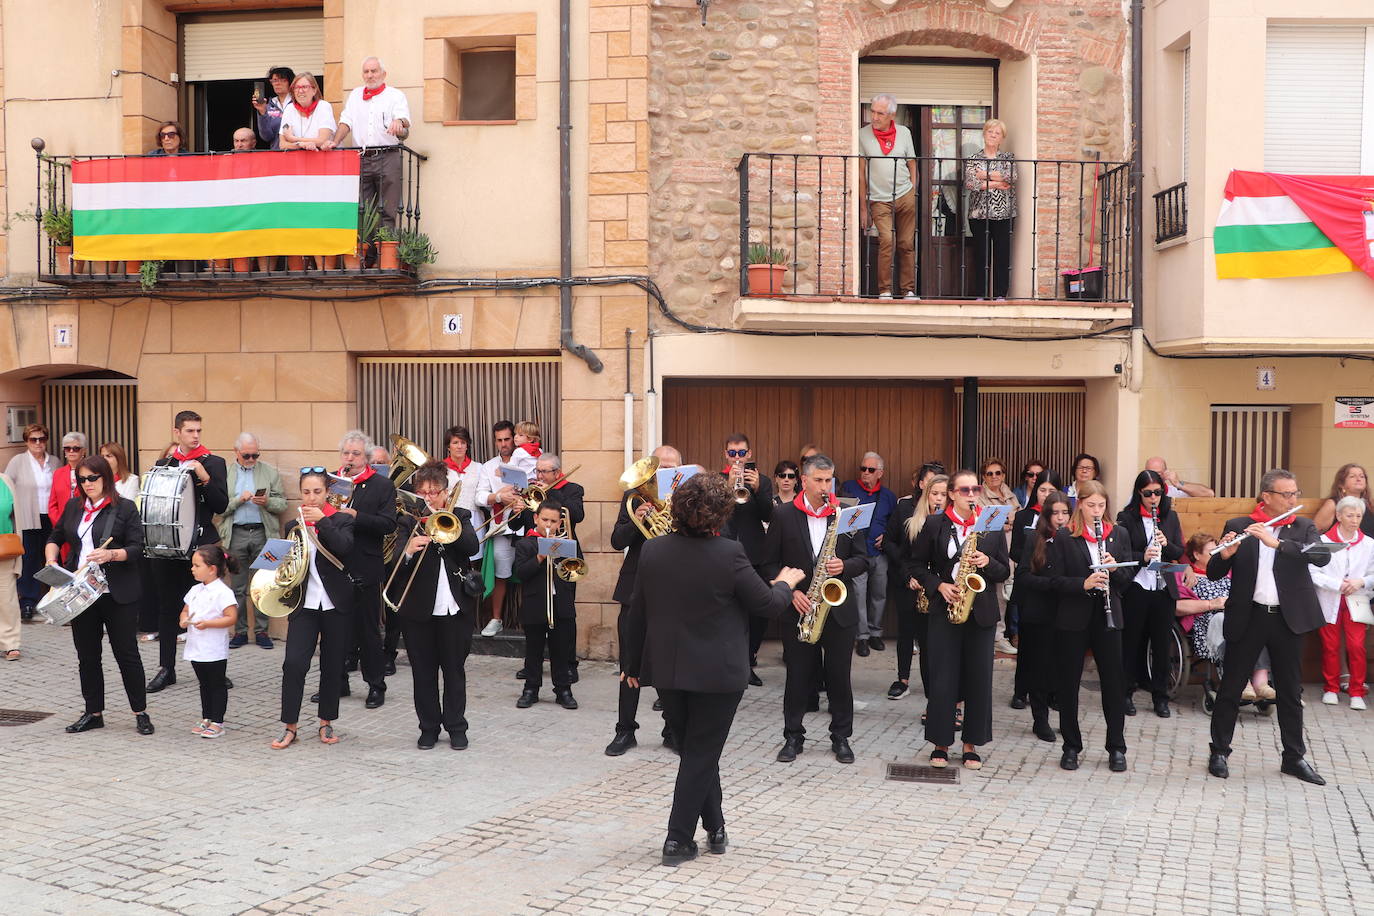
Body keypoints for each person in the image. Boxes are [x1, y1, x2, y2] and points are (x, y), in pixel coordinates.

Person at [623, 473, 803, 866]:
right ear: (720, 515)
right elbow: (768, 605)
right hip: (717, 675)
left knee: (695, 752)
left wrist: (632, 664)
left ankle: (716, 827)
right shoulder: (730, 553)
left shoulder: (653, 550)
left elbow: (637, 612)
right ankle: (676, 840)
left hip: (669, 671)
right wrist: (786, 583)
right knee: (700, 754)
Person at [1206, 469, 1330, 784]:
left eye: (1295, 493)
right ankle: (1219, 751)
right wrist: (1227, 554)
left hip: (1288, 618)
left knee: (1289, 690)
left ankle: (1294, 758)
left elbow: (1320, 558)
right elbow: (1213, 572)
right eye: (1286, 494)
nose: (1292, 499)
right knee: (1232, 687)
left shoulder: (1302, 527)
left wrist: (1275, 543)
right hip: (1249, 616)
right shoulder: (1239, 526)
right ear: (1267, 497)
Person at [761, 453, 867, 765]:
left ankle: (841, 736)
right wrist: (789, 591)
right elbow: (768, 563)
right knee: (798, 676)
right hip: (800, 608)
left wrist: (844, 565)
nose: (824, 486)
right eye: (818, 480)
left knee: (839, 676)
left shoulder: (847, 512)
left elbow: (864, 559)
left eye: (828, 480)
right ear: (804, 481)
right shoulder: (783, 516)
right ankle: (793, 736)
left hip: (838, 609)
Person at [45, 455, 153, 736]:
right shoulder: (73, 507)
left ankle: (140, 712)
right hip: (80, 593)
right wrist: (51, 559)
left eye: (93, 478)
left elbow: (137, 548)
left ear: (106, 477)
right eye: (82, 479)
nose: (87, 484)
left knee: (126, 654)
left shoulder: (125, 508)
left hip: (116, 592)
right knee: (87, 656)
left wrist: (111, 554)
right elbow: (55, 537)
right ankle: (93, 712)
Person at [910, 469, 1010, 770]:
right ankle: (941, 742)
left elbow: (1004, 571)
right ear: (951, 493)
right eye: (963, 490)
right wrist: (939, 585)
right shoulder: (935, 524)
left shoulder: (990, 524)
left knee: (978, 679)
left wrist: (987, 562)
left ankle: (971, 744)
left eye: (974, 489)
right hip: (946, 608)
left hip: (980, 612)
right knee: (943, 677)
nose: (970, 494)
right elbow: (915, 565)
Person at [391, 462, 479, 750]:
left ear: (446, 492)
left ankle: (456, 727)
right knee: (423, 672)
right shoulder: (407, 521)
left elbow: (471, 547)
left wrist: (448, 519)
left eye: (434, 492)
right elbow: (393, 564)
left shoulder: (460, 515)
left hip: (454, 608)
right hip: (418, 610)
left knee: (454, 670)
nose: (429, 497)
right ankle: (428, 727)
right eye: (423, 492)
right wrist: (407, 552)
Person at [1049, 480, 1132, 772]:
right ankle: (1071, 746)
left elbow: (1126, 581)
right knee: (1068, 683)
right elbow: (1055, 582)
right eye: (1091, 505)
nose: (1097, 511)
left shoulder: (1118, 535)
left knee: (1113, 683)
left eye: (1101, 505)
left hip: (1109, 616)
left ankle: (1117, 747)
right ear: (1080, 505)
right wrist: (1082, 584)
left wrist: (1114, 570)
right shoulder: (1063, 537)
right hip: (1074, 616)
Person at [607, 445, 683, 756]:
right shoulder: (633, 498)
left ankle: (672, 729)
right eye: (659, 467)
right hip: (635, 588)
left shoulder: (685, 498)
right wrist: (635, 521)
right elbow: (616, 541)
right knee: (629, 663)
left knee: (673, 662)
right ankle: (625, 730)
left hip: (674, 589)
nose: (661, 473)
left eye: (670, 467)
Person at [272, 468, 356, 749]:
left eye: (317, 492)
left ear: (327, 493)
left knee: (332, 666)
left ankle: (326, 722)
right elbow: (276, 563)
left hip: (335, 603)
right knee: (294, 664)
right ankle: (290, 726)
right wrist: (270, 562)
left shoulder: (342, 520)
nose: (311, 497)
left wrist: (324, 522)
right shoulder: (292, 526)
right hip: (304, 605)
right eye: (306, 492)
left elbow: (345, 548)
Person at [146, 411, 229, 693]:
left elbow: (220, 506)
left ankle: (216, 668)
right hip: (168, 549)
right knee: (168, 608)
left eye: (198, 431)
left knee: (208, 607)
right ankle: (166, 668)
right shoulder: (164, 464)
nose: (195, 436)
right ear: (177, 432)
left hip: (201, 547)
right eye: (190, 431)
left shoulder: (213, 462)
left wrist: (206, 478)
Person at [335, 430, 397, 709]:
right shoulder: (332, 481)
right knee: (335, 628)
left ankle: (375, 685)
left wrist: (357, 516)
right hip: (335, 563)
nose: (350, 458)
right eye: (346, 453)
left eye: (356, 454)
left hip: (365, 563)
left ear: (367, 457)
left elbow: (388, 524)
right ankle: (337, 682)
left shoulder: (381, 486)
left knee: (368, 629)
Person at [1117, 470, 1186, 719]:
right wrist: (1142, 556)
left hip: (1163, 588)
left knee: (1161, 643)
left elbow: (1179, 551)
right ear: (1139, 493)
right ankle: (1126, 692)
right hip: (1137, 586)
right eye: (1148, 493)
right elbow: (1122, 554)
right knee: (1132, 642)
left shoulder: (1171, 517)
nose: (1153, 498)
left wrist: (1166, 545)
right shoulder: (1126, 518)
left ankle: (1160, 696)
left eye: (1158, 493)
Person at [1176, 533, 1275, 703]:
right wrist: (1211, 604)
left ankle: (1261, 680)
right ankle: (1241, 681)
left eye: (1218, 550)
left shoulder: (1228, 573)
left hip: (1235, 619)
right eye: (1211, 552)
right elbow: (1178, 607)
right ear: (1197, 555)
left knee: (1258, 622)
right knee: (1225, 621)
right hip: (1207, 627)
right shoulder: (1186, 577)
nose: (1216, 554)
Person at [324, 57, 412, 233]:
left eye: (374, 71)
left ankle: (385, 253)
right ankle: (368, 256)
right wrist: (335, 141)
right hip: (362, 158)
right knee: (364, 208)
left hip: (388, 156)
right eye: (366, 71)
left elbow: (404, 122)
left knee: (388, 207)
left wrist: (398, 123)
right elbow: (346, 121)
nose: (370, 75)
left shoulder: (395, 95)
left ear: (383, 74)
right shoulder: (356, 95)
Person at [217, 433, 286, 649]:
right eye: (246, 455)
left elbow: (282, 504)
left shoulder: (269, 472)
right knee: (237, 587)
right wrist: (238, 500)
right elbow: (219, 508)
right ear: (236, 452)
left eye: (255, 455)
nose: (251, 459)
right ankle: (239, 631)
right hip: (235, 533)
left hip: (264, 533)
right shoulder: (225, 473)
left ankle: (262, 631)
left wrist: (267, 502)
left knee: (263, 585)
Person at [1012, 490, 1071, 743]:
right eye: (1055, 513)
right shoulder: (1035, 538)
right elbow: (1023, 575)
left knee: (1060, 669)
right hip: (1038, 612)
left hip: (1065, 612)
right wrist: (1051, 584)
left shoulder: (1072, 539)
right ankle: (1040, 719)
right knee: (1039, 668)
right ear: (1047, 515)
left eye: (1065, 513)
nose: (1060, 518)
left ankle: (1063, 719)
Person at [513, 497, 581, 710]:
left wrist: (562, 557)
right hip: (535, 604)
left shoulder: (567, 543)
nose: (549, 525)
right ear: (536, 518)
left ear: (560, 523)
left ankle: (563, 689)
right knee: (533, 650)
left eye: (553, 521)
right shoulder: (525, 543)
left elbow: (577, 570)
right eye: (545, 520)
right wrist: (540, 557)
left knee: (561, 649)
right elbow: (520, 573)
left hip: (561, 604)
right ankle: (530, 689)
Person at [719, 434, 774, 682]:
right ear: (726, 454)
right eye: (733, 453)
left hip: (754, 554)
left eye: (742, 453)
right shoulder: (717, 481)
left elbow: (769, 514)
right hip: (724, 553)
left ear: (750, 454)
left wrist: (759, 490)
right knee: (728, 611)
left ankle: (749, 656)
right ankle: (730, 663)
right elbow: (716, 514)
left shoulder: (762, 480)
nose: (737, 458)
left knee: (760, 610)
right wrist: (729, 488)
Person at [1311, 496, 1374, 710]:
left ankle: (1356, 690)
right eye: (1350, 515)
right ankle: (1331, 688)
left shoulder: (1369, 544)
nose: (1355, 520)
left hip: (1356, 600)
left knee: (1356, 646)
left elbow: (1373, 573)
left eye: (1358, 516)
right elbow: (1312, 572)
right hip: (1330, 600)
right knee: (1330, 646)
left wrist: (1360, 581)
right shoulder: (1324, 542)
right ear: (1338, 516)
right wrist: (1336, 584)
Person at [1008, 469, 1063, 708]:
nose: (1046, 495)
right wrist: (1035, 557)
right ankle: (1021, 690)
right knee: (1028, 644)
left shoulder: (1064, 520)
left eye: (1051, 491)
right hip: (1029, 587)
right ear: (1034, 490)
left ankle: (1050, 691)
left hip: (1054, 590)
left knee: (1052, 647)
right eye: (1042, 490)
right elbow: (1014, 551)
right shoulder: (1023, 516)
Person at [891, 473, 948, 702]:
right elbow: (903, 556)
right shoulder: (913, 521)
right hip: (917, 589)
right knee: (923, 644)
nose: (939, 499)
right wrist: (909, 577)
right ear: (926, 495)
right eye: (934, 494)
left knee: (941, 650)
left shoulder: (952, 524)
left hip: (944, 592)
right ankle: (930, 699)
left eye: (943, 495)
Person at [857, 93, 918, 300]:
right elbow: (860, 172)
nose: (874, 117)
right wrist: (864, 207)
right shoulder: (862, 135)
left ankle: (908, 290)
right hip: (879, 199)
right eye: (872, 111)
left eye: (880, 113)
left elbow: (912, 163)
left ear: (891, 114)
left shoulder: (904, 133)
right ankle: (885, 290)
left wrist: (913, 190)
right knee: (887, 241)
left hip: (904, 195)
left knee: (906, 243)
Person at [839, 452, 897, 657]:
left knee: (879, 595)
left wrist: (887, 537)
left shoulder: (889, 496)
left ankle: (875, 633)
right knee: (859, 596)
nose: (865, 473)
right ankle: (862, 637)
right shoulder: (848, 488)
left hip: (879, 554)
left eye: (870, 470)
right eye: (863, 469)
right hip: (857, 555)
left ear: (880, 473)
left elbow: (894, 524)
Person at [178, 546, 238, 739]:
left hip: (214, 648)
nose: (192, 569)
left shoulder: (223, 592)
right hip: (197, 647)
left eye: (197, 565)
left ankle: (218, 720)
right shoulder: (195, 589)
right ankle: (207, 717)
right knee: (203, 683)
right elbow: (185, 610)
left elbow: (231, 617)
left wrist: (209, 624)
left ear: (212, 568)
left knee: (216, 684)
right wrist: (183, 619)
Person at [5, 423, 58, 621]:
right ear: (26, 441)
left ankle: (52, 600)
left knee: (51, 560)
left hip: (51, 517)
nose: (38, 443)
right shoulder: (17, 462)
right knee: (29, 560)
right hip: (27, 518)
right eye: (33, 439)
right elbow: (7, 488)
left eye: (41, 439)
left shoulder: (54, 461)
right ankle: (28, 602)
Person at [964, 118, 1017, 299]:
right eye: (990, 132)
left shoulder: (1007, 158)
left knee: (1002, 256)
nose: (993, 136)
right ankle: (981, 294)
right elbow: (971, 182)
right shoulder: (973, 159)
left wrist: (984, 176)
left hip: (1004, 214)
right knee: (982, 256)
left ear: (1002, 138)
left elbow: (1012, 176)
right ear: (984, 134)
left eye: (997, 133)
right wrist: (997, 182)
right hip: (979, 214)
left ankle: (1001, 295)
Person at [476, 420, 520, 636]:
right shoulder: (488, 466)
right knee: (500, 574)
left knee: (531, 572)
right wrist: (499, 496)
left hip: (526, 528)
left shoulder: (529, 460)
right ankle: (496, 619)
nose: (504, 444)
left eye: (507, 439)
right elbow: (479, 496)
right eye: (499, 440)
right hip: (501, 527)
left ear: (514, 438)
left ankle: (533, 622)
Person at [978, 456, 1019, 656]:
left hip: (1011, 552)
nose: (994, 477)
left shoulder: (1011, 496)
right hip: (991, 551)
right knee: (993, 595)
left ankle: (1000, 636)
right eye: (989, 473)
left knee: (1005, 595)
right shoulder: (978, 495)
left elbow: (1017, 521)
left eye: (998, 473)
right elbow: (982, 522)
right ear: (983, 476)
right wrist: (1004, 523)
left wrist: (1009, 523)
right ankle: (991, 637)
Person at [1313, 463, 1374, 536]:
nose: (1358, 479)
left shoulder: (1370, 504)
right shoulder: (1333, 504)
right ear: (1341, 484)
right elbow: (1313, 532)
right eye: (1352, 476)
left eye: (1362, 476)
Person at [279, 73, 335, 151]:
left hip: (323, 158)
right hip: (298, 160)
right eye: (297, 87)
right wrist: (300, 145)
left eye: (305, 87)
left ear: (314, 90)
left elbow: (322, 141)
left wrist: (292, 138)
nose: (300, 91)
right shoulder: (289, 109)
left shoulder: (323, 106)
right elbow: (282, 144)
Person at [47, 431, 87, 532]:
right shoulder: (58, 473)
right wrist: (60, 524)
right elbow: (52, 504)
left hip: (86, 525)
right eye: (67, 448)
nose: (71, 451)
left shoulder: (91, 471)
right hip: (63, 527)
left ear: (84, 451)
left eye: (76, 448)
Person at [0, 468, 20, 660]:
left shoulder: (5, 481)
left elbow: (17, 518)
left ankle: (11, 643)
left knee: (7, 598)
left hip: (3, 549)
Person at [251, 66, 295, 150]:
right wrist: (262, 111)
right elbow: (266, 137)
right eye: (274, 80)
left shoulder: (299, 103)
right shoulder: (269, 105)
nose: (277, 83)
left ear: (291, 82)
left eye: (282, 80)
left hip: (298, 152)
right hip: (276, 154)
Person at [1144, 456, 1215, 499]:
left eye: (1158, 474)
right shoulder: (1141, 494)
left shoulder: (1176, 492)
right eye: (1149, 473)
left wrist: (1178, 484)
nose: (1152, 477)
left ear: (1166, 474)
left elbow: (1209, 493)